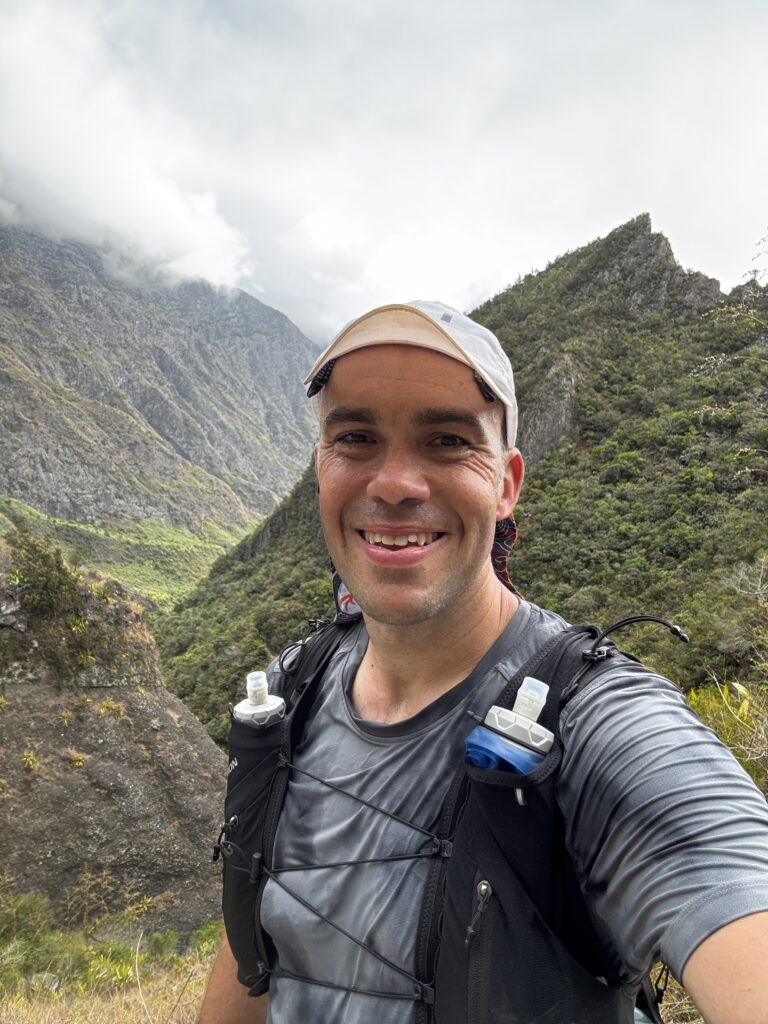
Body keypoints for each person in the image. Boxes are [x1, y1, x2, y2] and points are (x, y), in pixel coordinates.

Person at [199, 301, 768, 1024]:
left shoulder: (594, 725)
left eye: (446, 439)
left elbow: (730, 878)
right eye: (356, 437)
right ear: (321, 467)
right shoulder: (291, 692)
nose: (396, 483)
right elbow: (253, 939)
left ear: (506, 483)